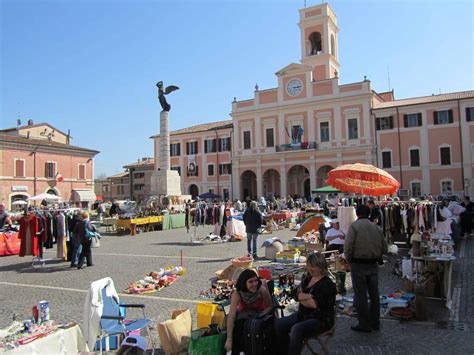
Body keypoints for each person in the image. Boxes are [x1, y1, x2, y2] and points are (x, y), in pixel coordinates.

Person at [274, 252, 336, 355]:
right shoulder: (307, 279)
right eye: (308, 266)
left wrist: (302, 297)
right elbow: (295, 294)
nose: (310, 269)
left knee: (296, 329)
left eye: (313, 267)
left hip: (320, 319)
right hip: (303, 315)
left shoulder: (327, 284)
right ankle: (284, 351)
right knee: (278, 324)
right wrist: (307, 296)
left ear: (320, 267)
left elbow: (314, 304)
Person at [345, 204, 387, 332]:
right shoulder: (376, 228)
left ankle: (364, 323)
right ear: (368, 214)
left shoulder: (354, 226)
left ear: (357, 214)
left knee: (361, 294)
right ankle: (375, 322)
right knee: (374, 294)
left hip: (358, 264)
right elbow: (384, 247)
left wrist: (349, 259)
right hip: (373, 264)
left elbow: (348, 246)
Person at [225, 269, 273, 354]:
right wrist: (229, 339)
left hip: (259, 315)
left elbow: (269, 306)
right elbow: (231, 316)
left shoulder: (261, 290)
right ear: (244, 283)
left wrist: (260, 316)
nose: (254, 284)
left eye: (256, 281)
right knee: (236, 327)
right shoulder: (237, 294)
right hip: (244, 315)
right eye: (250, 282)